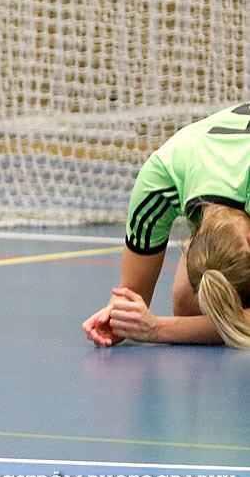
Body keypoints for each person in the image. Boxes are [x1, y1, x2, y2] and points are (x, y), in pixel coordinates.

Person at [83, 103, 250, 348]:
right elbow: (132, 291)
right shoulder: (159, 178)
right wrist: (119, 317)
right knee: (190, 305)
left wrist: (157, 329)